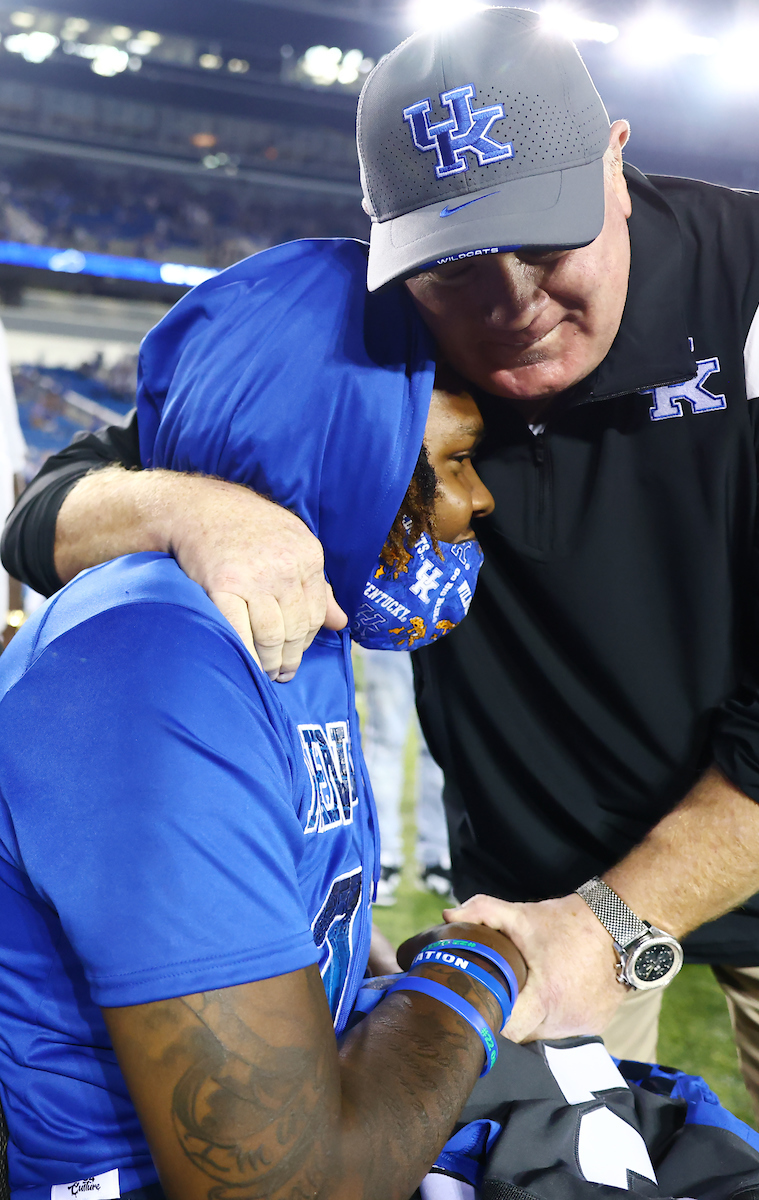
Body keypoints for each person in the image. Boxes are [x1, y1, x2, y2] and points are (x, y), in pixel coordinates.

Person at [3, 7, 759, 1185]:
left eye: (543, 239)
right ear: (389, 240)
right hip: (534, 875)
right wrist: (191, 508)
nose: (510, 304)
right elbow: (54, 499)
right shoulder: (376, 315)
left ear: (616, 161)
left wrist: (614, 928)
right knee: (560, 1160)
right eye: (456, 260)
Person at [0, 238, 530, 1200]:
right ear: (340, 458)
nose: (477, 501)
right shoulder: (153, 663)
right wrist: (480, 968)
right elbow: (285, 1187)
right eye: (454, 460)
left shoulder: (297, 618)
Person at [354, 643, 453, 903]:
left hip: (444, 629)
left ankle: (439, 858)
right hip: (391, 628)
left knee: (440, 746)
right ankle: (381, 856)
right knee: (385, 741)